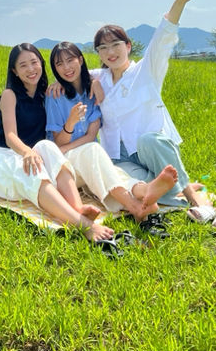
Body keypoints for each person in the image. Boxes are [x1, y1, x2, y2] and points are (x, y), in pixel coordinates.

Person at [91, 0, 211, 208]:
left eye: (115, 45)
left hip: (150, 150)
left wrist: (180, 1)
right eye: (103, 48)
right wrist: (81, 83)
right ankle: (170, 190)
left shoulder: (146, 70)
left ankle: (189, 193)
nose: (110, 52)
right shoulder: (98, 76)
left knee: (149, 140)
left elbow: (163, 38)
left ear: (128, 46)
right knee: (125, 181)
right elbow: (71, 75)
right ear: (98, 53)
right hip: (119, 155)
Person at [0, 43, 115, 243]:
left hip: (33, 153)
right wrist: (26, 152)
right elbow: (10, 136)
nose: (31, 69)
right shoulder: (10, 95)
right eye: (23, 65)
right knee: (33, 170)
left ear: (41, 64)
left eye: (34, 63)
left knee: (47, 146)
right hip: (5, 157)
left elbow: (77, 77)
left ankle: (77, 208)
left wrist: (92, 81)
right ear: (14, 71)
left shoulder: (49, 94)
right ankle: (83, 224)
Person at [46, 41, 178, 220]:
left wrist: (93, 82)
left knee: (111, 170)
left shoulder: (92, 93)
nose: (66, 68)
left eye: (70, 61)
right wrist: (70, 123)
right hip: (65, 166)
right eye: (59, 64)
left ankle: (142, 193)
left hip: (90, 160)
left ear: (81, 60)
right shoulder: (55, 95)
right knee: (96, 154)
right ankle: (138, 198)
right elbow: (60, 143)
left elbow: (92, 135)